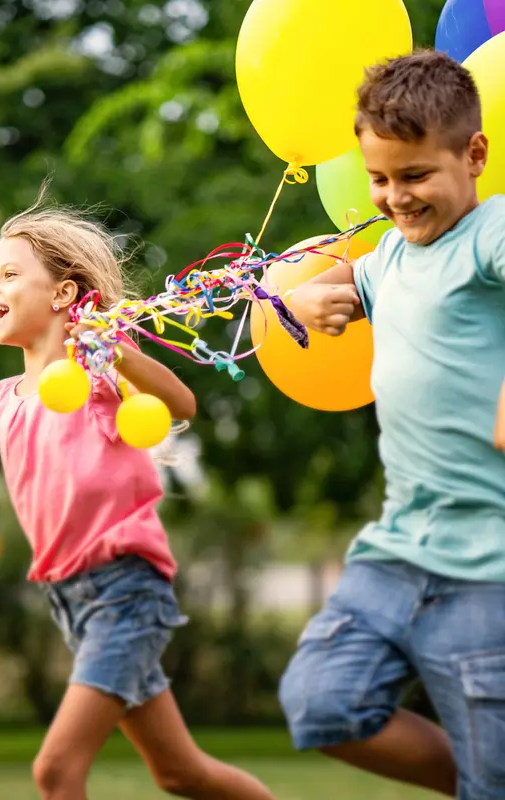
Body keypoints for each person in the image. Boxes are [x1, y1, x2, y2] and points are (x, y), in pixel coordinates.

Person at [0, 197, 277, 800]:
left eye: (8, 274)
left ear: (63, 295)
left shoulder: (99, 372)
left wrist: (114, 348)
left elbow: (183, 406)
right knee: (180, 773)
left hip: (125, 590)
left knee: (55, 771)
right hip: (71, 600)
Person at [278, 50, 505, 800]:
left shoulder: (489, 233)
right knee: (320, 700)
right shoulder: (392, 259)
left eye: (414, 177)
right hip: (397, 549)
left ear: (473, 154)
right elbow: (343, 279)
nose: (394, 198)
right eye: (379, 179)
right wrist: (308, 297)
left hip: (487, 568)